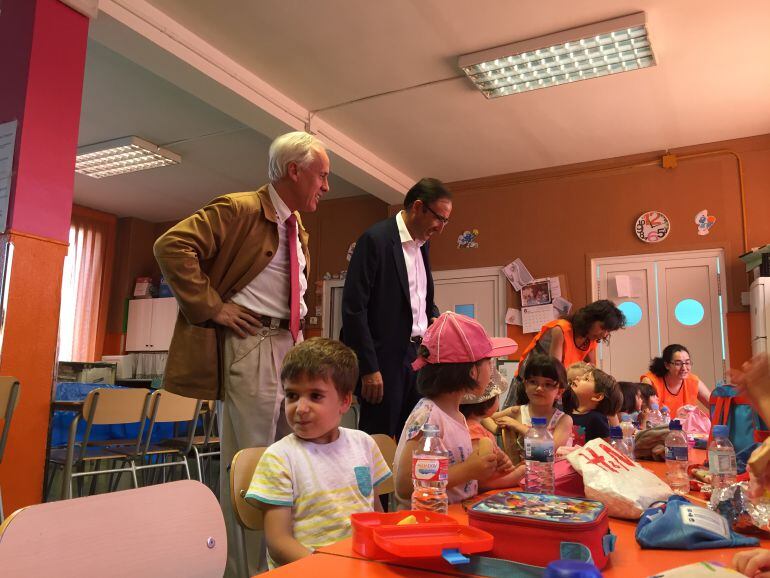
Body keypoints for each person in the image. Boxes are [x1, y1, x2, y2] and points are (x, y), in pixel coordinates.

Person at [154, 131, 328, 576]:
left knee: (288, 460)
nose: (326, 186)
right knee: (251, 464)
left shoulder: (295, 225)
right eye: (321, 176)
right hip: (254, 343)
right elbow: (170, 246)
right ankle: (246, 571)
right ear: (294, 170)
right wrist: (214, 307)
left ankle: (278, 562)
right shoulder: (240, 208)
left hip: (289, 347)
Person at [246, 338, 391, 568]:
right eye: (292, 395)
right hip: (309, 569)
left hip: (361, 565)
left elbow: (375, 516)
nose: (300, 408)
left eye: (315, 396)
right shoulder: (279, 458)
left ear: (344, 401)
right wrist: (326, 568)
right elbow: (278, 541)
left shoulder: (364, 444)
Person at [342, 178, 452, 437]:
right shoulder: (375, 240)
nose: (441, 228)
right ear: (418, 207)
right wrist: (369, 368)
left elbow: (421, 298)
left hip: (417, 356)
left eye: (446, 221)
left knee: (416, 437)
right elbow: (354, 309)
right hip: (384, 361)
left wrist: (434, 318)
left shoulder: (422, 245)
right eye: (439, 218)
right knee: (379, 440)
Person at [393, 311, 517, 508]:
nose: (492, 370)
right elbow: (405, 485)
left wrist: (486, 459)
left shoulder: (456, 414)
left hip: (455, 517)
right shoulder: (428, 416)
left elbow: (451, 463)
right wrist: (469, 470)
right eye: (489, 362)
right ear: (472, 372)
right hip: (425, 526)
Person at [505, 300, 625, 406]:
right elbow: (554, 369)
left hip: (554, 388)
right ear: (590, 318)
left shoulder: (590, 339)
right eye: (603, 328)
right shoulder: (560, 329)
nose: (604, 334)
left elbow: (592, 368)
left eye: (608, 331)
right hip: (532, 385)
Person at [490, 353, 573, 468]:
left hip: (553, 476)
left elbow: (549, 450)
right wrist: (498, 429)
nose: (539, 388)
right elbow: (483, 417)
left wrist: (518, 427)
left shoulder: (563, 420)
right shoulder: (517, 412)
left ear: (559, 392)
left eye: (547, 384)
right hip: (525, 476)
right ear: (525, 384)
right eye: (533, 382)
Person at [459, 369, 520, 489]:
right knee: (525, 471)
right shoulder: (474, 429)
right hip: (486, 485)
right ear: (488, 402)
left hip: (492, 479)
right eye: (497, 397)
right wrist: (517, 474)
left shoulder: (473, 425)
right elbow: (481, 478)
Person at [640, 344, 711, 415]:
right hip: (660, 425)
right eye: (678, 363)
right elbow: (644, 414)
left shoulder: (693, 381)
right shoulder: (650, 381)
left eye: (687, 363)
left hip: (686, 425)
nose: (684, 368)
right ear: (667, 365)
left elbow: (716, 406)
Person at [562, 362, 623, 442]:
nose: (577, 378)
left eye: (586, 379)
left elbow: (603, 448)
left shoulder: (597, 418)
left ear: (597, 397)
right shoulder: (567, 411)